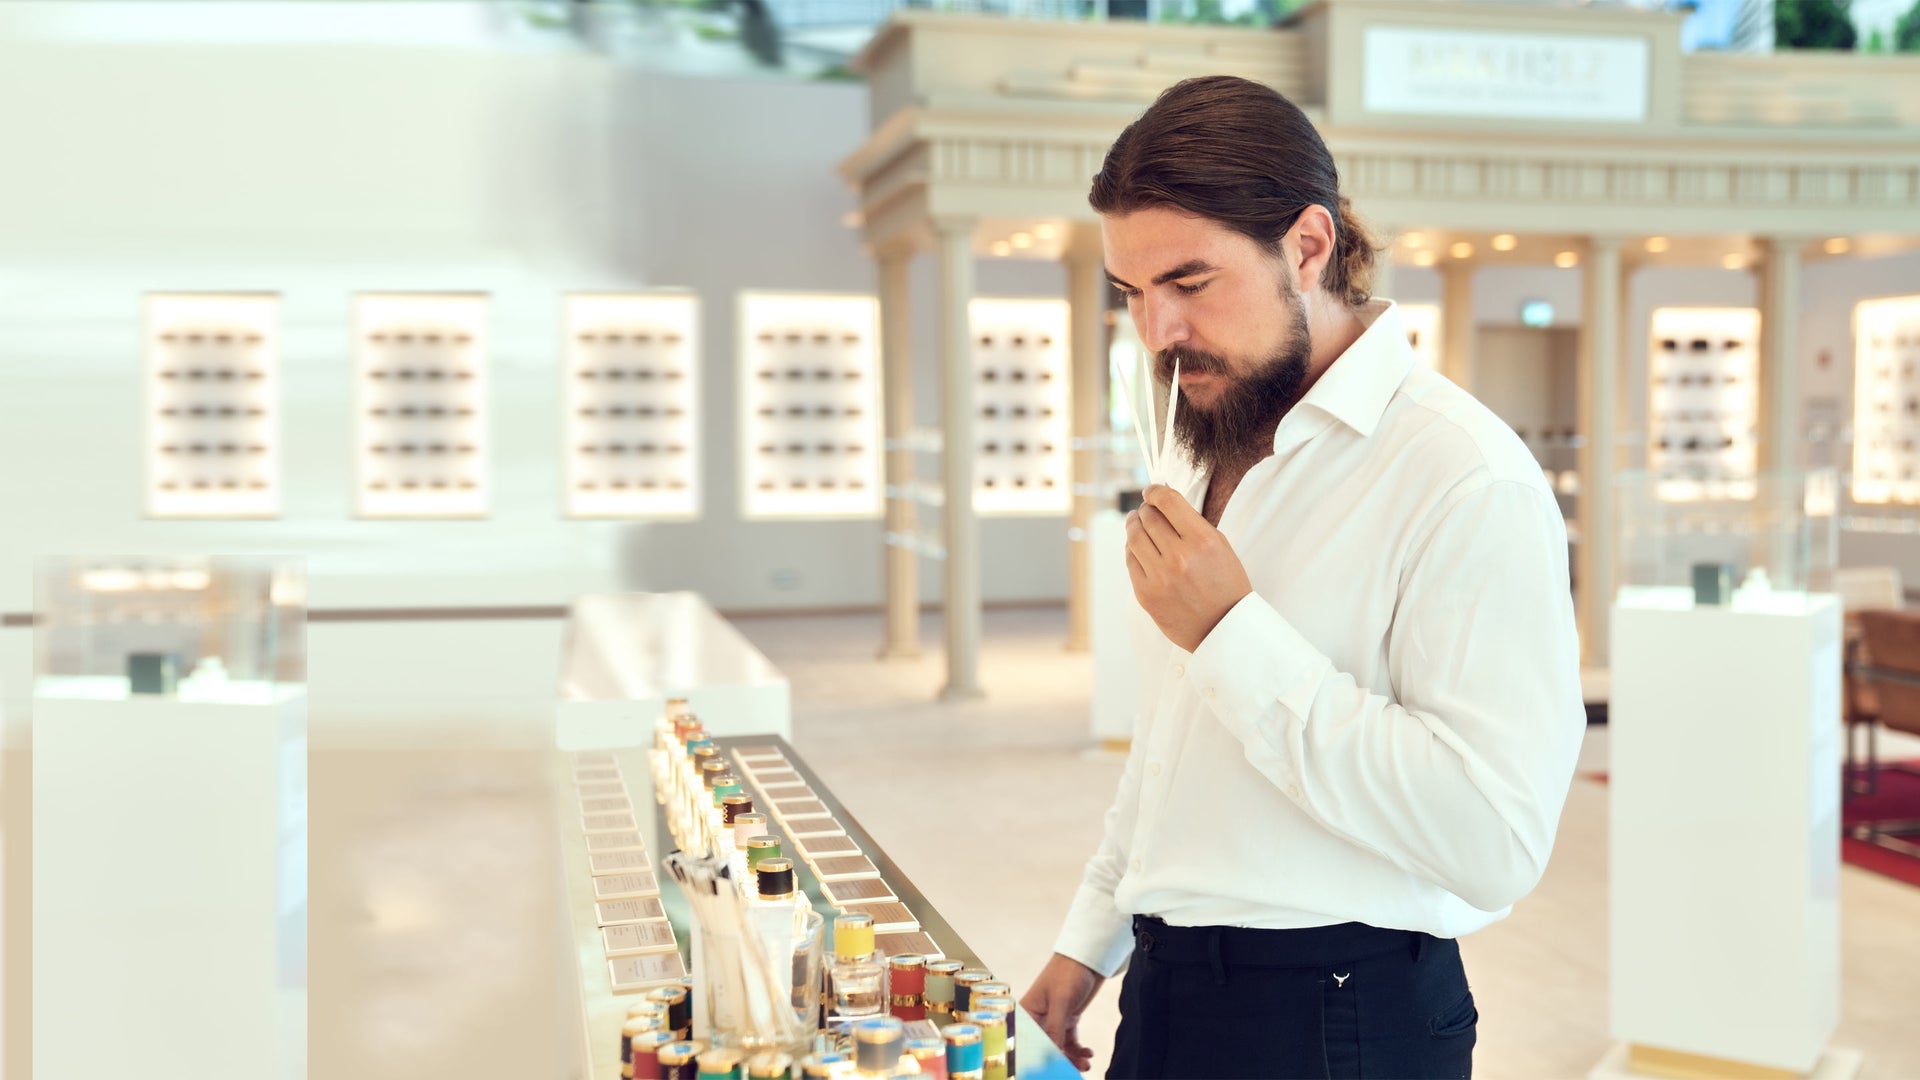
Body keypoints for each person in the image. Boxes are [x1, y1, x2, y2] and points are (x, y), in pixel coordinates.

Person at [1018, 75, 1585, 1080]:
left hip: (1338, 1021)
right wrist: (1088, 940)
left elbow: (1493, 837)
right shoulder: (1202, 437)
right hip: (1165, 985)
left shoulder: (1464, 475)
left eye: (1189, 285)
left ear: (1309, 248)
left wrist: (1231, 631)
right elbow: (1173, 747)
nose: (1157, 335)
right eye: (1133, 295)